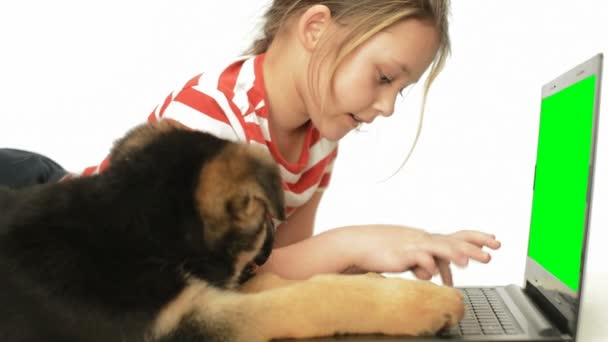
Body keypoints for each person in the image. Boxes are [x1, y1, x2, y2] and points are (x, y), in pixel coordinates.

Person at [0, 0, 500, 285]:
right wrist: (354, 244)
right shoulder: (208, 122)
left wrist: (371, 259)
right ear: (317, 28)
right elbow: (198, 282)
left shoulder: (320, 141)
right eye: (384, 77)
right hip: (41, 216)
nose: (388, 107)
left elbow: (272, 267)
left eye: (401, 90)